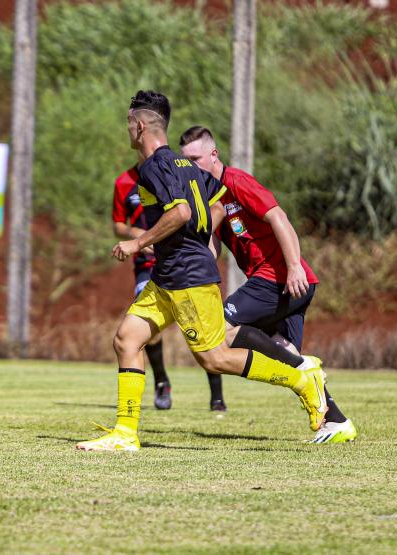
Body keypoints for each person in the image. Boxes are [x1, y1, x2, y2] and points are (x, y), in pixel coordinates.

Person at [77, 91, 327, 452]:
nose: (127, 130)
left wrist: (140, 241)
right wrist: (189, 241)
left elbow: (179, 212)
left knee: (216, 357)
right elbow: (214, 197)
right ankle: (125, 433)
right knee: (127, 339)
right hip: (170, 273)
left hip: (187, 278)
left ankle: (302, 379)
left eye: (129, 123)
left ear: (140, 125)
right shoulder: (185, 166)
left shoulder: (154, 167)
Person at [179, 125, 356, 444]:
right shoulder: (209, 195)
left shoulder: (236, 181)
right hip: (281, 283)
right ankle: (337, 421)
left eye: (195, 158)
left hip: (278, 278)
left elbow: (279, 217)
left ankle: (303, 367)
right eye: (185, 160)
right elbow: (213, 245)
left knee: (222, 326)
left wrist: (292, 267)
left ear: (214, 155)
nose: (191, 166)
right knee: (285, 353)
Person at [113, 155, 226, 411]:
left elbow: (199, 209)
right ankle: (160, 382)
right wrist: (136, 236)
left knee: (212, 350)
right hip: (148, 268)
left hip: (185, 265)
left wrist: (203, 242)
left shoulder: (175, 169)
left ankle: (217, 395)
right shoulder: (124, 182)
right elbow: (118, 225)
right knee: (132, 334)